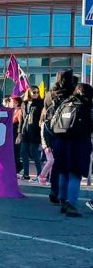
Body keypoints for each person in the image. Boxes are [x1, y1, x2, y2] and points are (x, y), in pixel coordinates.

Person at [50, 83, 93, 217]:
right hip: (79, 143)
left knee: (64, 172)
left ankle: (63, 200)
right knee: (76, 173)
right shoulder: (88, 106)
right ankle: (71, 204)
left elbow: (52, 123)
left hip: (61, 142)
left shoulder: (64, 104)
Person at [44, 70, 77, 204]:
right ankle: (65, 195)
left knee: (57, 164)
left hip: (53, 132)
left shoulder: (49, 95)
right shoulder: (72, 93)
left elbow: (45, 115)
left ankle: (54, 191)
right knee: (68, 166)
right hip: (70, 132)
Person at [19, 86, 44, 180]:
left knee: (33, 152)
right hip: (25, 131)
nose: (36, 94)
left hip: (35, 131)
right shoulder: (24, 103)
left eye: (37, 92)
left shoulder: (40, 103)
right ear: (29, 93)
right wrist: (19, 133)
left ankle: (40, 175)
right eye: (34, 92)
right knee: (23, 151)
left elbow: (42, 119)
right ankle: (26, 174)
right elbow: (22, 119)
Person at [11, 95, 24, 177]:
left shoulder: (19, 111)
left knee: (16, 152)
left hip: (16, 134)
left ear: (17, 102)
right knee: (13, 152)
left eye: (13, 101)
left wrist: (19, 135)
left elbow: (20, 123)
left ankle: (18, 168)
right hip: (11, 134)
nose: (11, 103)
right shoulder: (13, 111)